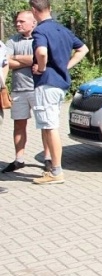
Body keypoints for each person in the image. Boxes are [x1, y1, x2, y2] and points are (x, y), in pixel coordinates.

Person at [28, 0, 89, 185]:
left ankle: (56, 171)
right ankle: (54, 169)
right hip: (60, 84)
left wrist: (41, 68)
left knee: (50, 127)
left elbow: (41, 52)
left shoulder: (40, 31)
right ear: (50, 8)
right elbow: (83, 49)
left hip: (46, 83)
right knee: (50, 125)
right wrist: (66, 66)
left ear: (33, 11)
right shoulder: (62, 29)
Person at [3, 11, 52, 173]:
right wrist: (31, 59)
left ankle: (48, 158)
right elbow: (6, 62)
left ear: (33, 22)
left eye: (22, 21)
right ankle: (19, 159)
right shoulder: (12, 40)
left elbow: (43, 58)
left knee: (45, 125)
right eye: (17, 21)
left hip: (39, 88)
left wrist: (17, 58)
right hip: (18, 90)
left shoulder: (40, 38)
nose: (18, 24)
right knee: (19, 125)